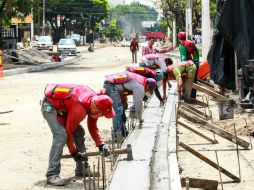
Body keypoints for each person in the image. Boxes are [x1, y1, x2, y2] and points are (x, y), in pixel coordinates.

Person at [41, 84, 115, 186]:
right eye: (102, 114)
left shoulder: (95, 100)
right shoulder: (80, 109)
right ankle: (52, 174)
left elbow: (92, 125)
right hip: (51, 106)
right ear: (96, 109)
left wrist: (100, 144)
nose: (101, 116)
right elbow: (69, 132)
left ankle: (82, 169)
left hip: (65, 108)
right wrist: (74, 152)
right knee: (61, 136)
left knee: (79, 132)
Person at [103, 71, 156, 137]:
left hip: (114, 85)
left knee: (122, 108)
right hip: (112, 86)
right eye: (149, 89)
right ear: (148, 85)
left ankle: (122, 131)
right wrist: (140, 118)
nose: (147, 91)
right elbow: (138, 105)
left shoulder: (141, 80)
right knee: (118, 110)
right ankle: (116, 134)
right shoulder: (140, 86)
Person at [178, 32, 199, 99]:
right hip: (195, 63)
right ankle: (193, 96)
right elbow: (197, 52)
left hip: (189, 65)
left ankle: (187, 96)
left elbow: (183, 58)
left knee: (187, 81)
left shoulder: (182, 46)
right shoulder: (191, 42)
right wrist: (197, 60)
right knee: (194, 80)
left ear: (179, 38)